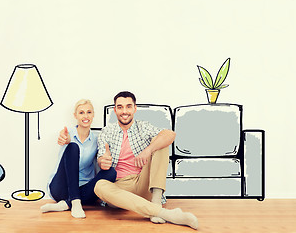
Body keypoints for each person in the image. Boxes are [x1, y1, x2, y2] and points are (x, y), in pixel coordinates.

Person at [94, 91, 198, 229]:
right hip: (120, 187)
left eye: (128, 106)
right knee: (99, 186)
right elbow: (101, 158)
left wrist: (148, 150)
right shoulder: (106, 132)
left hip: (143, 181)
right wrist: (103, 161)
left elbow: (170, 134)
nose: (124, 111)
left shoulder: (143, 126)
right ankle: (165, 213)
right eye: (120, 107)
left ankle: (156, 202)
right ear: (115, 110)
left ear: (135, 108)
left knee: (161, 140)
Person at [41, 99, 117, 218]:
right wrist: (65, 139)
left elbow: (102, 159)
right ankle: (75, 202)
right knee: (73, 147)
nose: (85, 116)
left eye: (89, 112)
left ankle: (66, 204)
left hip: (84, 189)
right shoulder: (68, 133)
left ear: (93, 115)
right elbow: (64, 136)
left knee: (111, 172)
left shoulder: (97, 140)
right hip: (60, 188)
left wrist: (104, 159)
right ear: (75, 116)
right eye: (81, 113)